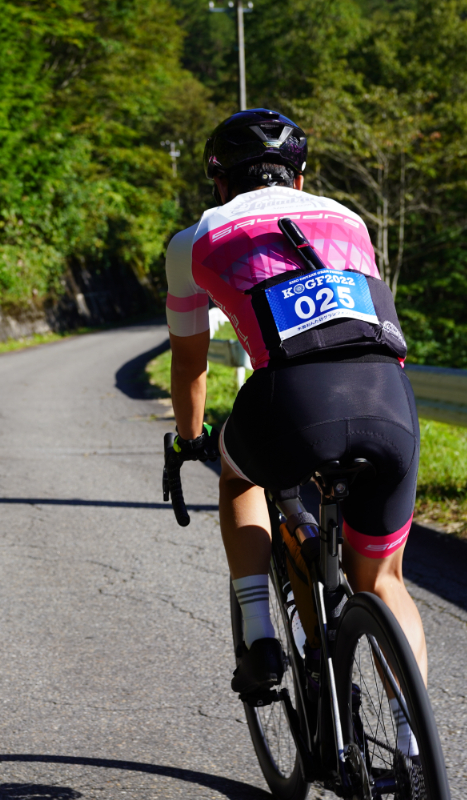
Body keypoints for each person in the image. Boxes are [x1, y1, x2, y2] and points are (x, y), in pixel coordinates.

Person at [164, 110, 426, 744]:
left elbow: (191, 363)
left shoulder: (192, 240)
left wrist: (191, 438)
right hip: (389, 400)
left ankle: (259, 633)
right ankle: (413, 738)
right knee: (384, 579)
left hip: (287, 403)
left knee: (237, 473)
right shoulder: (349, 219)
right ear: (301, 179)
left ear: (220, 183)